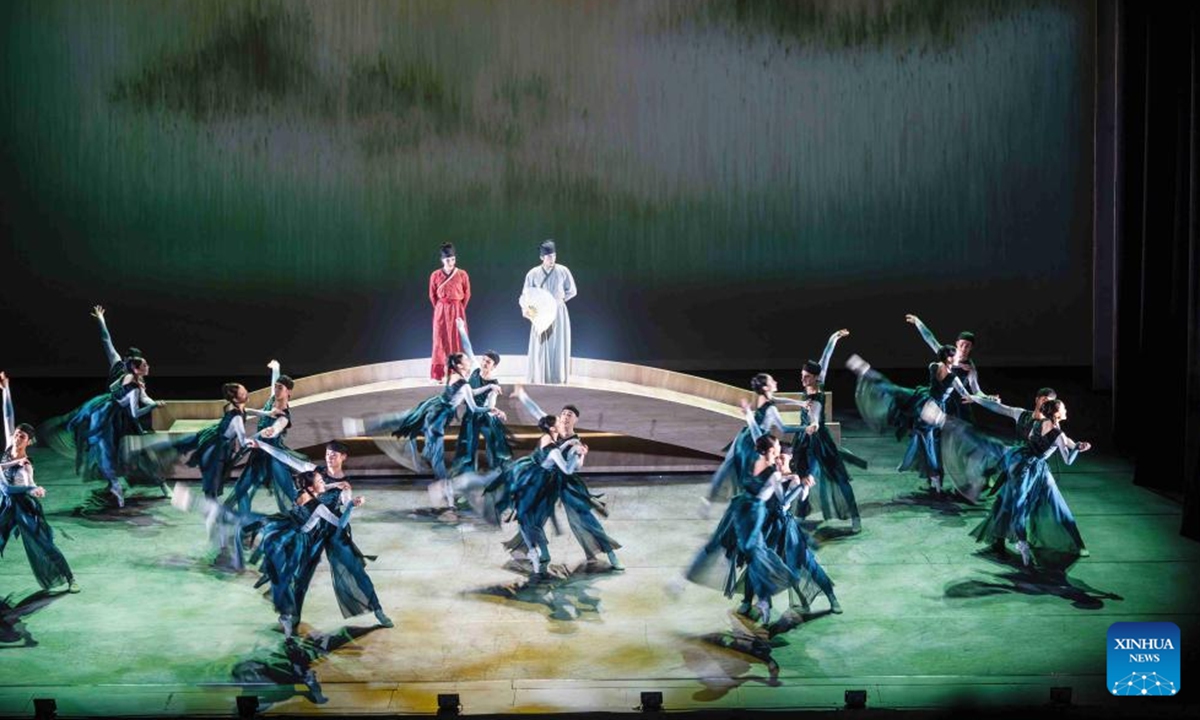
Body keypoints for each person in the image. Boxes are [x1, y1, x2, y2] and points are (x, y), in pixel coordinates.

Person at [347, 354, 498, 507]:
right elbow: (473, 407)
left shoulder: (455, 376)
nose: (469, 361)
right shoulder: (463, 383)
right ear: (459, 366)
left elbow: (470, 393)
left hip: (433, 406)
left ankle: (360, 425)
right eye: (466, 360)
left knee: (403, 418)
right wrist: (492, 409)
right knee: (436, 455)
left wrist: (490, 387)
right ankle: (444, 492)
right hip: (438, 417)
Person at [55, 306, 166, 507]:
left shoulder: (137, 380)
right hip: (108, 416)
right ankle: (114, 484)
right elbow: (107, 341)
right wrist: (100, 320)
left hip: (123, 418)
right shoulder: (119, 367)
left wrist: (154, 404)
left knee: (139, 450)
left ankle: (160, 484)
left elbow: (144, 397)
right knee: (105, 450)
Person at [963, 399, 1092, 568]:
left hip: (1020, 460)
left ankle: (1021, 542)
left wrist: (1075, 445)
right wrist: (1076, 449)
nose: (1066, 410)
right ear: (1056, 413)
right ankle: (1022, 544)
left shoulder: (1039, 423)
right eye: (1063, 408)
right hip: (1031, 468)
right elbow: (1068, 460)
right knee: (1020, 505)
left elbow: (1032, 439)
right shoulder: (1058, 435)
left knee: (1018, 504)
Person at [685, 434, 797, 626]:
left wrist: (794, 481)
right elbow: (780, 497)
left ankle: (760, 600)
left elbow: (782, 500)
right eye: (777, 448)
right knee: (751, 556)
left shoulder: (763, 466)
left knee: (754, 557)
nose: (779, 452)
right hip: (748, 513)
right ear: (770, 451)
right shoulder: (767, 469)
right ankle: (758, 600)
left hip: (750, 514)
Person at [848, 350, 969, 495]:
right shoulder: (945, 372)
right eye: (955, 356)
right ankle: (935, 482)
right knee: (929, 444)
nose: (958, 358)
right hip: (927, 406)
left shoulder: (937, 368)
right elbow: (964, 393)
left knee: (928, 443)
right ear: (949, 358)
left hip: (926, 405)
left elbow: (964, 393)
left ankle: (935, 481)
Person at [0, 372, 79, 593]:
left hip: (23, 507)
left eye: (22, 437)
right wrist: (6, 389)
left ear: (28, 442)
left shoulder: (25, 467)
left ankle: (70, 577)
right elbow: (8, 415)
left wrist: (32, 489)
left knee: (45, 545)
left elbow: (11, 488)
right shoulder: (9, 446)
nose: (16, 438)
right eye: (16, 434)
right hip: (5, 505)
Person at [791, 330, 860, 532]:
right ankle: (799, 516)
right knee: (803, 477)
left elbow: (815, 416)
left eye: (806, 377)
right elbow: (826, 357)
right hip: (804, 440)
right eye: (802, 376)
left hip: (820, 441)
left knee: (839, 478)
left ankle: (855, 517)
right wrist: (834, 337)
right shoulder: (812, 384)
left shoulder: (817, 395)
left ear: (815, 377)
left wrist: (815, 424)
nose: (803, 380)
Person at [705, 373, 802, 507]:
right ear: (766, 388)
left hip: (745, 435)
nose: (775, 382)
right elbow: (783, 428)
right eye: (772, 381)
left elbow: (779, 399)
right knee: (757, 472)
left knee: (729, 465)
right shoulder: (771, 408)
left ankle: (710, 499)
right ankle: (758, 503)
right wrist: (805, 429)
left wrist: (800, 403)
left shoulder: (764, 400)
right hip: (757, 438)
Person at [225, 361, 303, 515]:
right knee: (241, 488)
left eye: (280, 388)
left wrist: (271, 431)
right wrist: (276, 368)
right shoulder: (272, 400)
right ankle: (245, 522)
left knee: (287, 493)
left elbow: (278, 426)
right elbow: (275, 381)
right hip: (258, 454)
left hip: (274, 456)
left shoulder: (284, 415)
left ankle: (303, 519)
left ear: (289, 393)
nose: (276, 389)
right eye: (275, 387)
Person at [450, 318, 513, 476]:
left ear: (494, 366)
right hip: (471, 414)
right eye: (484, 359)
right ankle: (467, 478)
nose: (484, 363)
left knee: (492, 446)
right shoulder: (476, 369)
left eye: (489, 362)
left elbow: (490, 403)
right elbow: (468, 347)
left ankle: (497, 477)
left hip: (482, 415)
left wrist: (495, 411)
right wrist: (461, 328)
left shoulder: (494, 384)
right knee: (468, 447)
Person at [904, 314, 995, 420]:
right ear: (957, 344)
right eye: (962, 344)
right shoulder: (947, 353)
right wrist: (918, 322)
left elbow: (976, 390)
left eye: (967, 346)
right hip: (942, 396)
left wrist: (987, 397)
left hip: (960, 397)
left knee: (966, 424)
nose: (963, 348)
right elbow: (930, 339)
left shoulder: (970, 367)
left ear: (971, 348)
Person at [521, 240, 576, 384]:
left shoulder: (563, 271)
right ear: (542, 258)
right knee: (540, 344)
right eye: (549, 256)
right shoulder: (533, 273)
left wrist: (559, 301)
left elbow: (572, 291)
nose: (552, 259)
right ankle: (539, 376)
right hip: (541, 313)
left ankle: (558, 376)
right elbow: (526, 295)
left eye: (554, 256)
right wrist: (530, 309)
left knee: (558, 342)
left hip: (558, 311)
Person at [429, 243, 471, 382]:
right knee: (440, 340)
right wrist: (441, 307)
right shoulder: (435, 275)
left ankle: (459, 372)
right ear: (442, 260)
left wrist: (458, 307)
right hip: (441, 310)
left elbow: (467, 293)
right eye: (448, 260)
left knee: (458, 338)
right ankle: (440, 374)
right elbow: (432, 296)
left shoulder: (462, 274)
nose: (451, 262)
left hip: (457, 308)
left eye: (453, 259)